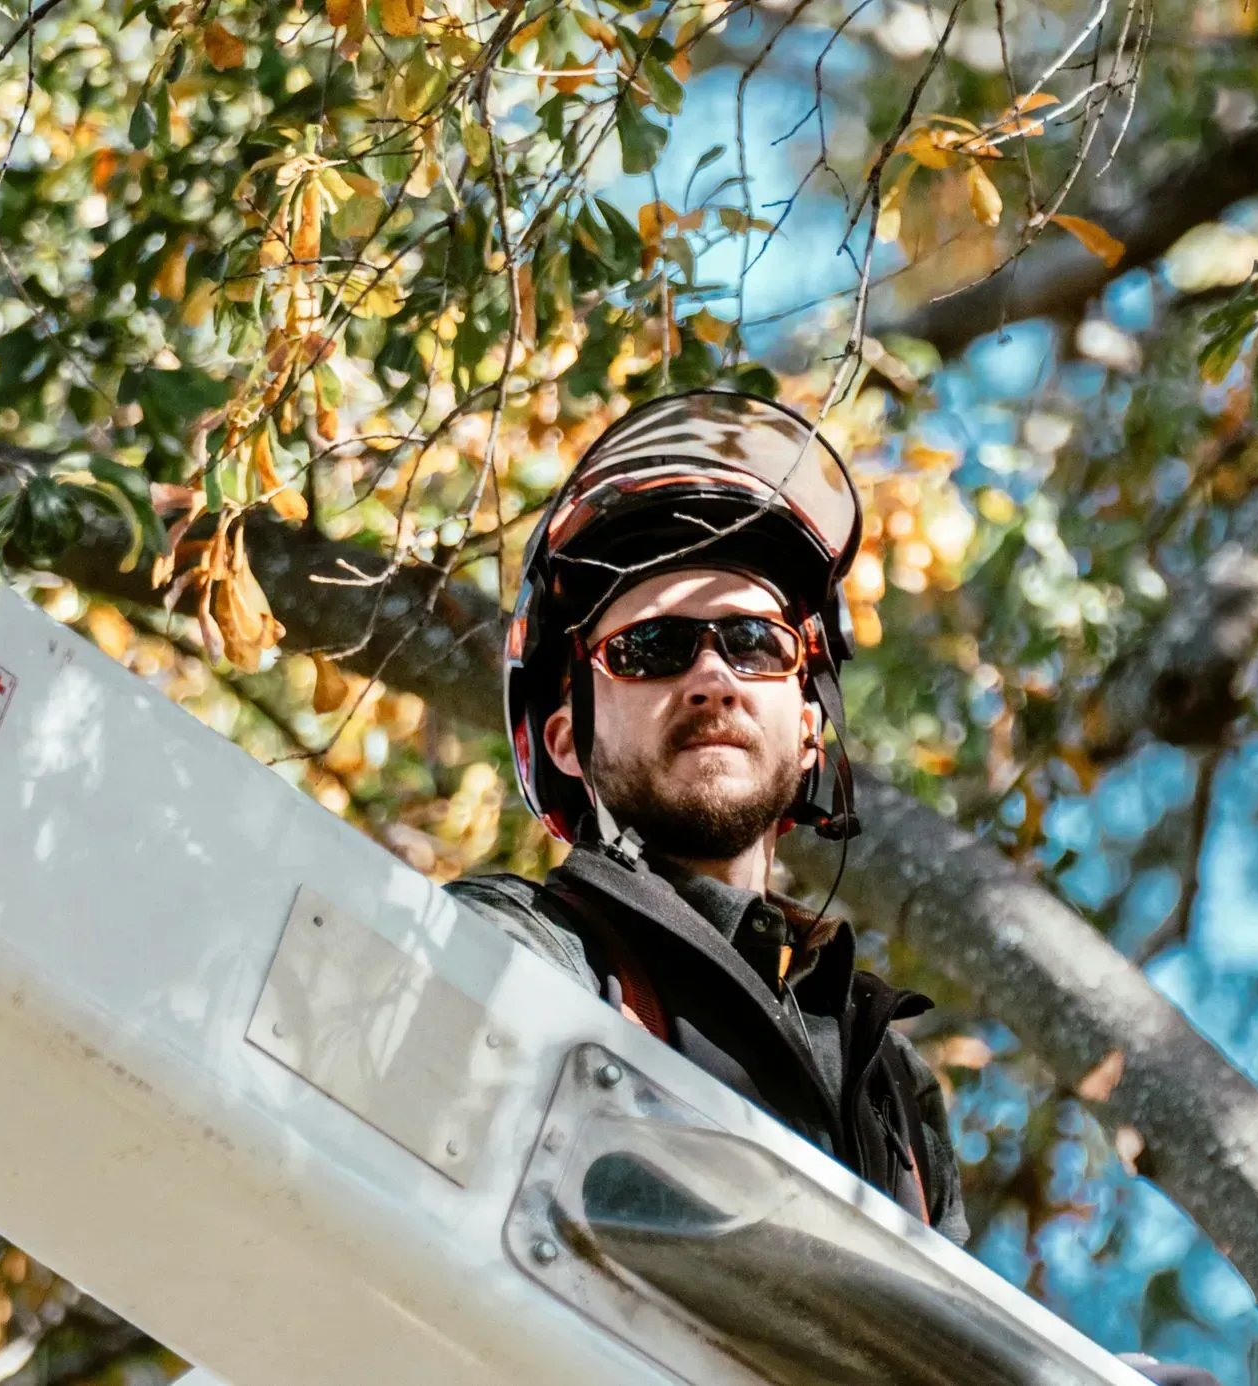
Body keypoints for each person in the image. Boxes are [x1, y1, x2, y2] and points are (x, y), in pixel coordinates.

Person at [449, 391, 1217, 1386]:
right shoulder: (531, 944)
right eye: (649, 649)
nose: (712, 678)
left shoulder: (892, 1090)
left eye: (755, 644)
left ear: (809, 725)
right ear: (568, 737)